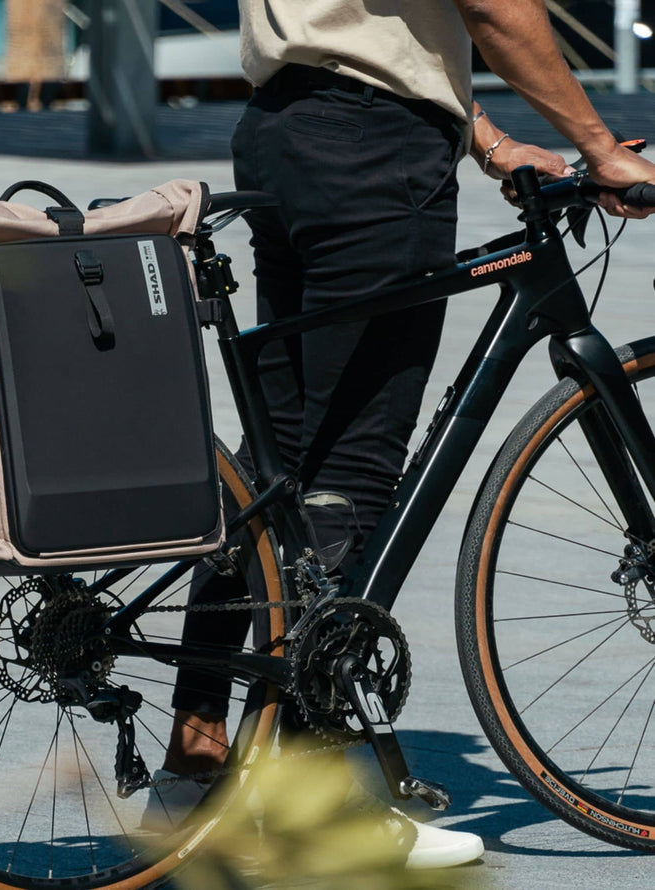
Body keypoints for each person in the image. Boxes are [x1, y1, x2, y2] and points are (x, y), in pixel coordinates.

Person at [149, 0, 655, 868]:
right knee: (350, 472)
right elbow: (490, 6)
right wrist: (599, 145)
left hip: (281, 130)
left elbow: (372, 36)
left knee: (277, 473)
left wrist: (487, 139)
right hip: (375, 157)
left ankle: (193, 769)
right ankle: (320, 809)